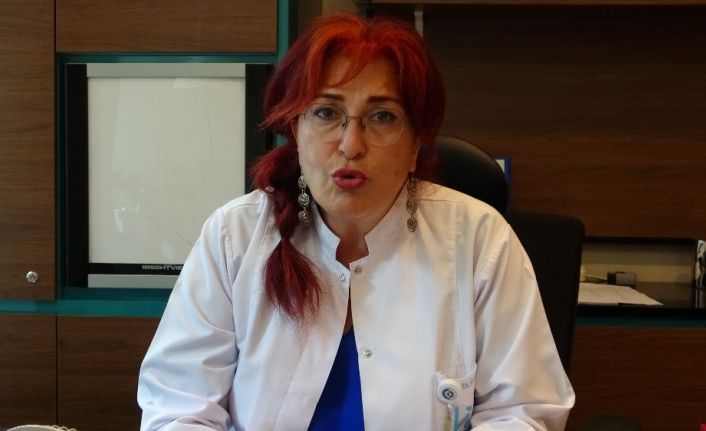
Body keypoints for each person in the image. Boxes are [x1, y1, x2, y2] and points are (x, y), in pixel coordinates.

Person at [137, 13, 574, 431]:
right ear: (296, 130)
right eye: (326, 112)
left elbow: (521, 412)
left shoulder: (479, 241)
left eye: (382, 116)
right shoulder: (234, 237)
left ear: (415, 144)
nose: (350, 144)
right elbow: (177, 409)